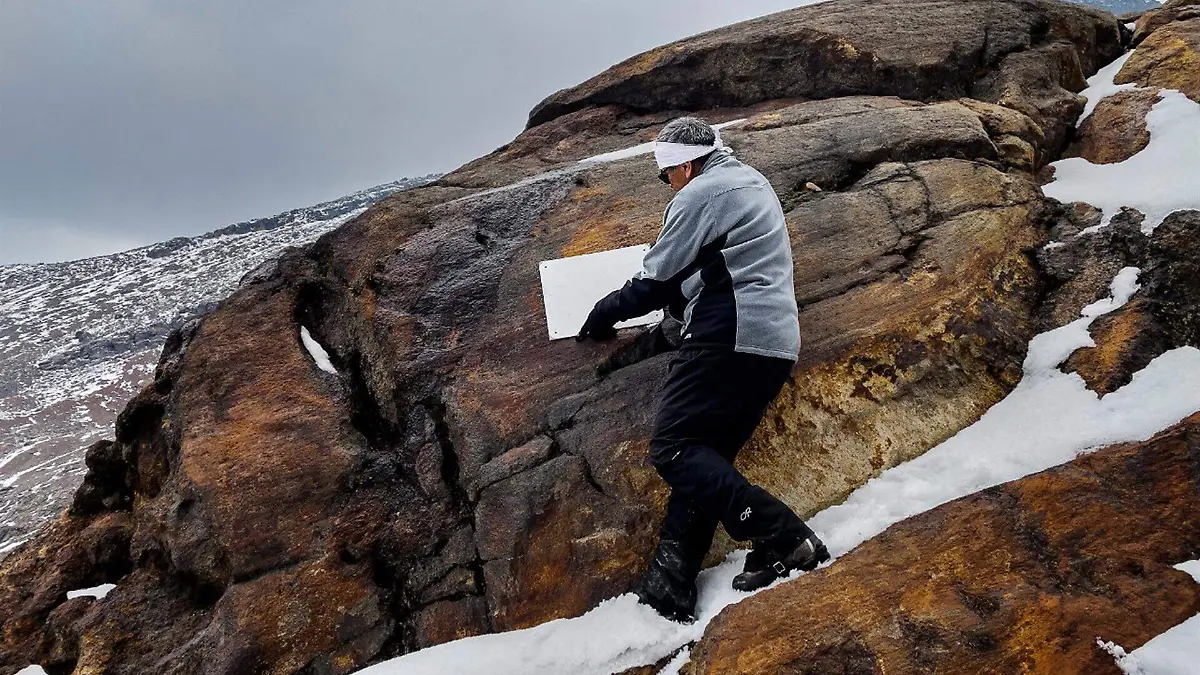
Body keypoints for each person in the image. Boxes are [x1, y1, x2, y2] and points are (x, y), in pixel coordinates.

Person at [577, 117, 828, 623]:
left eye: (666, 176)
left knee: (673, 449)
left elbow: (656, 281)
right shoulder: (750, 181)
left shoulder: (701, 194)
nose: (666, 186)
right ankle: (670, 588)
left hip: (728, 338)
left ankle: (784, 533)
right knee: (704, 462)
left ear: (684, 166)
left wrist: (602, 313)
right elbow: (704, 272)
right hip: (772, 344)